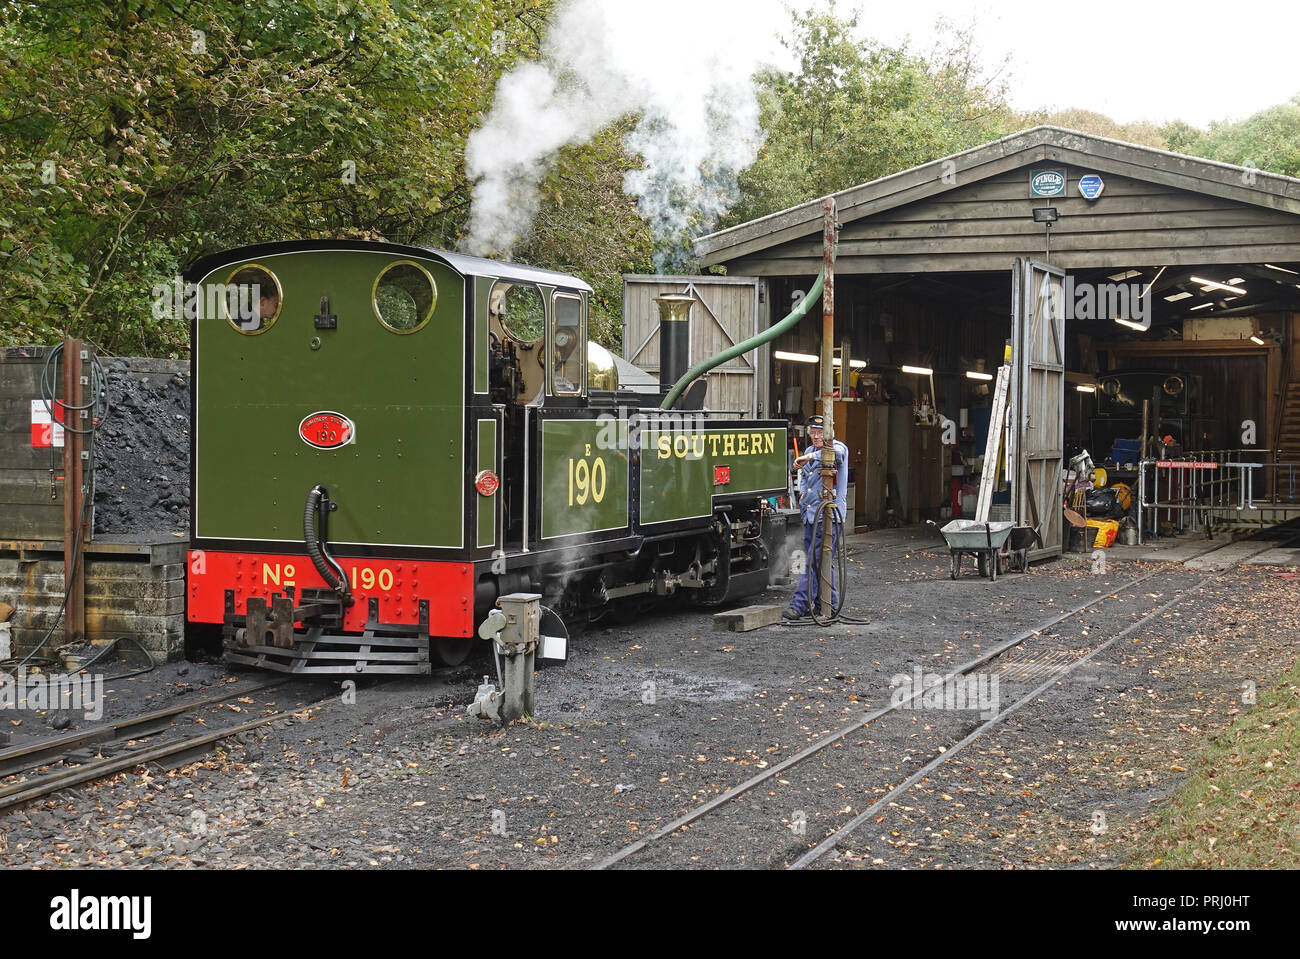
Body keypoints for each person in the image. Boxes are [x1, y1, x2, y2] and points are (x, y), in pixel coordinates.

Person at [785, 414, 849, 619]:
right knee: (821, 561)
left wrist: (808, 458)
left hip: (828, 515)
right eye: (813, 432)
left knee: (813, 560)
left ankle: (800, 604)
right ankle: (827, 602)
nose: (816, 436)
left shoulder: (838, 448)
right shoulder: (810, 451)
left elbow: (834, 455)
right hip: (811, 515)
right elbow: (805, 477)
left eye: (820, 432)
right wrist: (802, 491)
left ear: (830, 433)